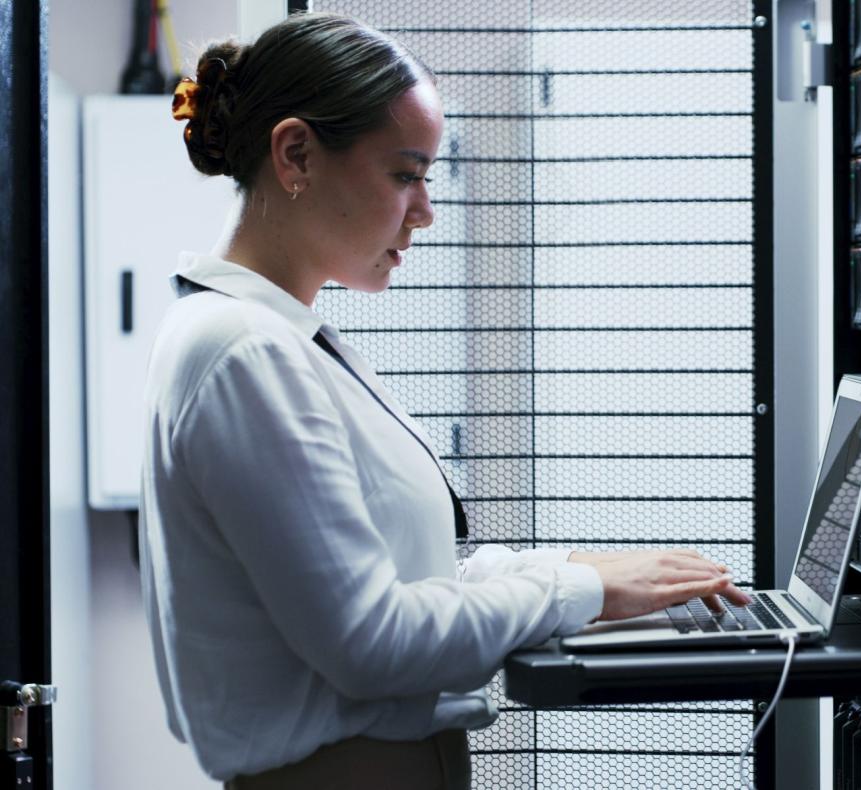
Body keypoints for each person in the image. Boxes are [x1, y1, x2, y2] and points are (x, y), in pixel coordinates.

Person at [139, 12, 750, 789]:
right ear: (296, 154)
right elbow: (373, 643)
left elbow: (405, 578)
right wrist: (579, 591)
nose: (426, 209)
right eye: (404, 174)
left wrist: (590, 574)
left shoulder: (270, 337)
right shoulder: (245, 352)